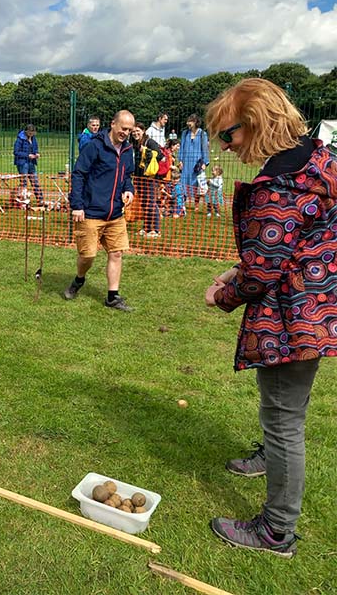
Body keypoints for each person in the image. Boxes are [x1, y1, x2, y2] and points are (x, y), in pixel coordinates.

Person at [204, 78, 337, 558]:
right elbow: (289, 246)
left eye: (229, 134)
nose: (225, 146)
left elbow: (263, 270)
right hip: (321, 306)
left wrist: (223, 292)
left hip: (293, 320)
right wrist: (245, 266)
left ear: (256, 123)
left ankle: (277, 530)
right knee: (286, 412)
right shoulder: (319, 159)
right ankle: (268, 457)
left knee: (283, 417)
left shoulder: (280, 183)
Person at [65, 110, 135, 312]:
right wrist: (77, 205)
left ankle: (112, 296)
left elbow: (127, 176)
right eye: (123, 128)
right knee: (87, 256)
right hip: (90, 212)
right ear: (113, 124)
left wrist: (128, 190)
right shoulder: (94, 146)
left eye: (129, 130)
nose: (125, 133)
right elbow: (78, 174)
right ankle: (79, 279)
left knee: (117, 253)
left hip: (115, 214)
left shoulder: (128, 150)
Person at [130, 122, 165, 238]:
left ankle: (156, 230)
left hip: (149, 178)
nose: (135, 133)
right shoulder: (134, 143)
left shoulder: (149, 142)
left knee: (150, 203)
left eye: (137, 131)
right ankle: (147, 228)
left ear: (143, 130)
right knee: (144, 203)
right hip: (139, 177)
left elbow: (160, 155)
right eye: (133, 131)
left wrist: (146, 151)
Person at [178, 114, 209, 211]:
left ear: (195, 122)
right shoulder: (185, 133)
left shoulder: (202, 134)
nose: (188, 123)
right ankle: (182, 203)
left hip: (197, 163)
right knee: (183, 181)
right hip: (186, 162)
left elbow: (205, 149)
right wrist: (180, 160)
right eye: (187, 121)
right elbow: (181, 148)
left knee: (196, 182)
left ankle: (196, 204)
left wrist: (204, 162)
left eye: (190, 121)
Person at [13, 123, 43, 204]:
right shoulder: (20, 139)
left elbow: (35, 148)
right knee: (24, 182)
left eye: (33, 133)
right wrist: (27, 155)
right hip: (22, 163)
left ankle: (40, 199)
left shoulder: (33, 139)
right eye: (30, 133)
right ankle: (23, 200)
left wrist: (36, 153)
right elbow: (16, 152)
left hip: (31, 163)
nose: (32, 134)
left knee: (35, 181)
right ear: (26, 132)